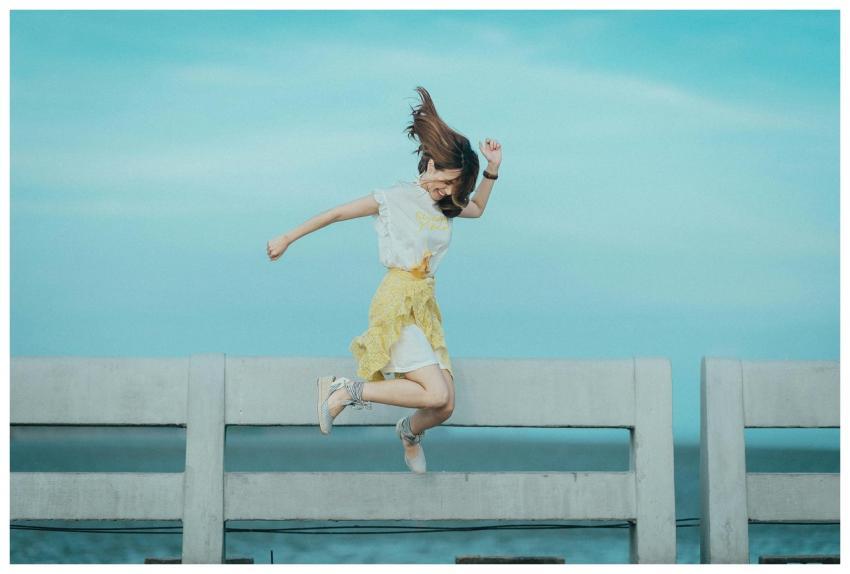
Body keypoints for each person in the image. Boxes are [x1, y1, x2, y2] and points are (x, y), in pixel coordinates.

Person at [266, 86, 502, 473]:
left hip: (425, 305)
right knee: (435, 391)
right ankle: (344, 389)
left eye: (455, 186)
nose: (449, 191)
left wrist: (492, 168)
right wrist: (288, 237)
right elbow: (338, 213)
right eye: (447, 181)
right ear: (430, 164)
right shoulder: (395, 197)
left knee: (444, 404)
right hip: (397, 299)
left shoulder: (444, 205)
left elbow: (476, 208)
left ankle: (408, 433)